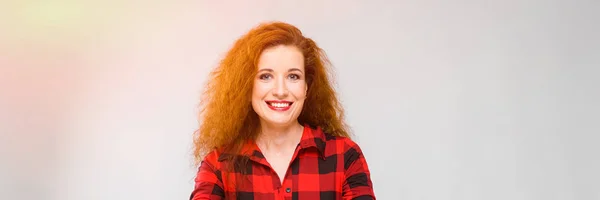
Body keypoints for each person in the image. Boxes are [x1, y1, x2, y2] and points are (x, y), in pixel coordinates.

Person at [189, 21, 375, 200]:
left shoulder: (345, 156)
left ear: (306, 87)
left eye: (293, 76)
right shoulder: (218, 165)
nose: (280, 91)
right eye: (265, 76)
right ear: (247, 86)